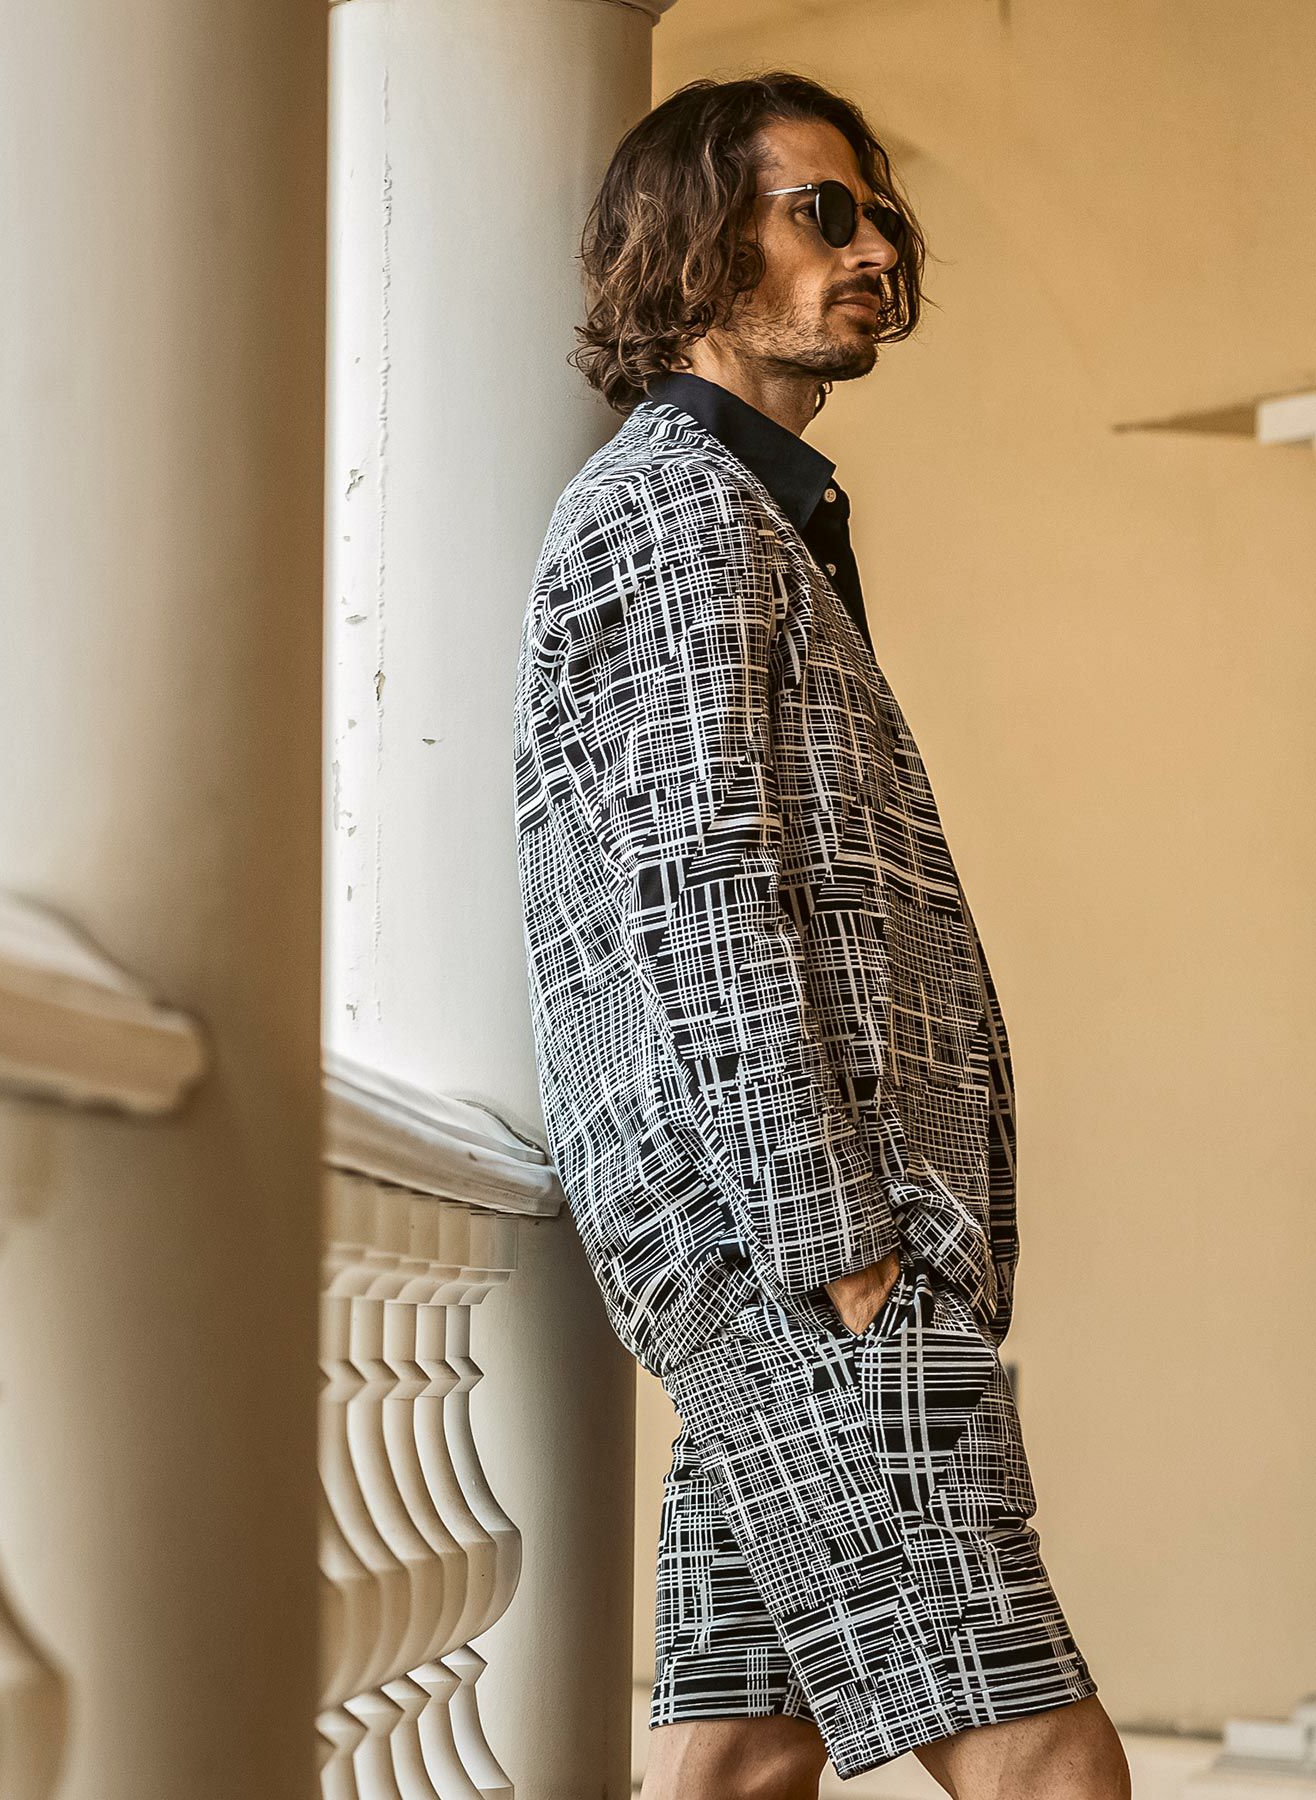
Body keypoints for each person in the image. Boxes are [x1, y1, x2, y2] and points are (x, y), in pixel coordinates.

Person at [511, 71, 1130, 1799]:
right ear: (695, 242)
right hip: (801, 1245)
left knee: (740, 1751)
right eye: (822, 213)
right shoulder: (678, 511)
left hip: (797, 1241)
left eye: (877, 218)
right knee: (1043, 1752)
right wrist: (838, 1250)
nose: (871, 253)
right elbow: (703, 892)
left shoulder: (746, 508)